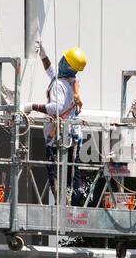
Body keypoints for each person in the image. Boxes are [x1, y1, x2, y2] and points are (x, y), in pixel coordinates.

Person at [28, 43, 90, 206]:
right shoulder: (68, 81)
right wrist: (43, 54)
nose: (61, 60)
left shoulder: (60, 85)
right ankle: (75, 202)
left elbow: (56, 108)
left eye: (64, 59)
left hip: (58, 139)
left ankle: (65, 206)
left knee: (57, 175)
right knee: (72, 172)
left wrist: (32, 106)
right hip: (70, 137)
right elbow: (50, 71)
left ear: (67, 64)